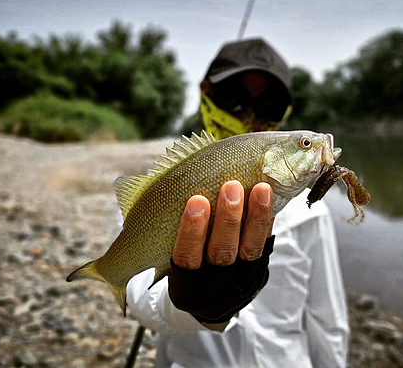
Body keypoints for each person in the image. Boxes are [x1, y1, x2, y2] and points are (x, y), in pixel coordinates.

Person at [126, 38, 349, 367]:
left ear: (283, 113)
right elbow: (141, 296)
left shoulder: (312, 213)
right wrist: (195, 308)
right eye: (234, 98)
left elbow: (327, 321)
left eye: (268, 105)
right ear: (206, 93)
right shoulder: (159, 193)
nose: (250, 115)